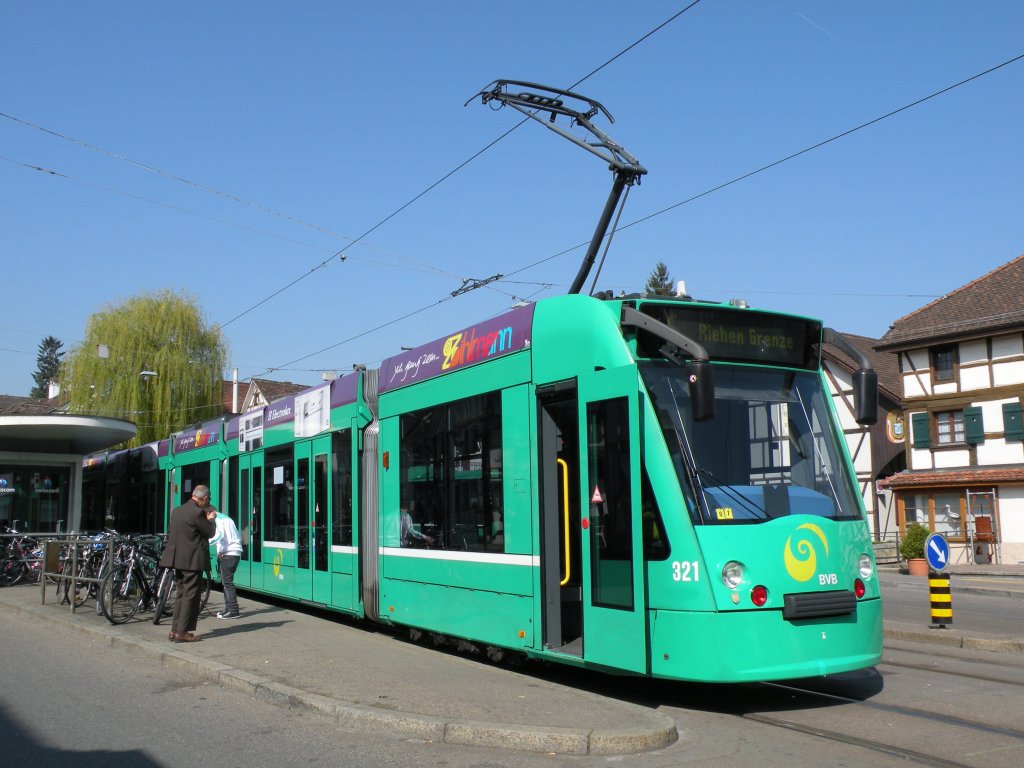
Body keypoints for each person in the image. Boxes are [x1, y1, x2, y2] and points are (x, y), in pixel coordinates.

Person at [159, 484, 216, 643]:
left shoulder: (177, 510)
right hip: (192, 561)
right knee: (190, 595)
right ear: (204, 499)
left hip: (177, 559)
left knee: (181, 593)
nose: (208, 501)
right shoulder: (197, 512)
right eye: (208, 499)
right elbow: (210, 532)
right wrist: (211, 520)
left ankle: (174, 630)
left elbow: (173, 533)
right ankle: (182, 632)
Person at [209, 506, 243, 619]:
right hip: (232, 553)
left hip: (229, 553)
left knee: (227, 583)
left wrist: (205, 542)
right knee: (226, 582)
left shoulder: (218, 520)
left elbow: (218, 535)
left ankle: (233, 610)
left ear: (211, 513)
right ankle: (228, 609)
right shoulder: (226, 519)